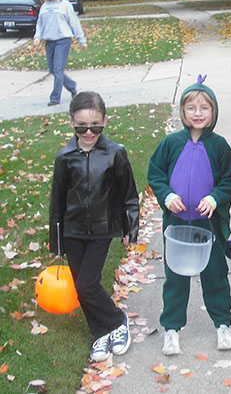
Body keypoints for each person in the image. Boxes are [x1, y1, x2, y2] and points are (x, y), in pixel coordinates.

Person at [148, 75, 231, 356]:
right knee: (175, 277)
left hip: (207, 224)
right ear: (182, 112)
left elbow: (229, 179)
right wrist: (167, 196)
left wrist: (214, 198)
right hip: (176, 224)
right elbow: (156, 173)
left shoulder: (219, 146)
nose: (198, 114)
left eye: (204, 108)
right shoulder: (171, 144)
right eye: (191, 108)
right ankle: (172, 329)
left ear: (213, 113)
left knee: (215, 275)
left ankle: (222, 324)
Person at [49, 91, 139, 361]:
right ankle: (100, 333)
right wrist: (56, 240)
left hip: (103, 228)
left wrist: (130, 227)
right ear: (71, 123)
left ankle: (117, 322)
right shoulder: (64, 157)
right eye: (82, 126)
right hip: (72, 230)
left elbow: (129, 195)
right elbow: (57, 201)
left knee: (87, 284)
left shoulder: (115, 154)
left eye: (95, 125)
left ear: (105, 121)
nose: (89, 131)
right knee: (80, 284)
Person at [33, 0, 87, 107]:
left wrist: (81, 40)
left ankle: (55, 98)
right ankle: (71, 86)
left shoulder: (65, 5)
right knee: (52, 69)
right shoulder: (45, 7)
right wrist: (37, 37)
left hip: (63, 40)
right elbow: (40, 23)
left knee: (58, 69)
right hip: (49, 41)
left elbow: (74, 23)